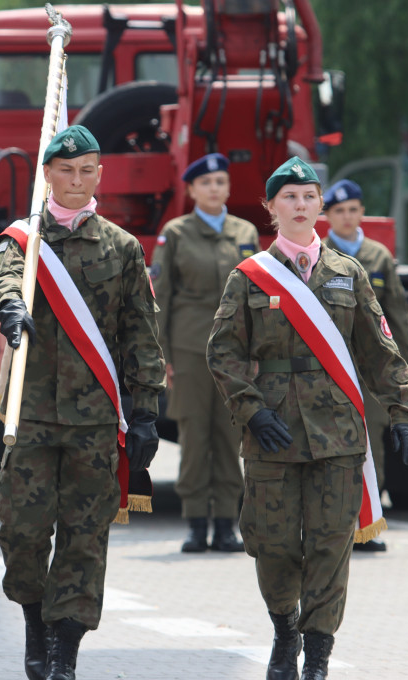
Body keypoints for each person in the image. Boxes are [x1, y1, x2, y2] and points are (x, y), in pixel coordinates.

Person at [206, 157, 408, 680]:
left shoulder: (349, 274)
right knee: (272, 542)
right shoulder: (248, 277)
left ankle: (318, 658)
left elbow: (380, 352)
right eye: (289, 198)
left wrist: (404, 414)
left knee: (330, 546)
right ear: (270, 208)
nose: (300, 206)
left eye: (308, 196)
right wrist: (252, 410)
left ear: (320, 204)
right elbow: (223, 353)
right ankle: (285, 629)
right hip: (273, 432)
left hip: (339, 435)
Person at [0, 125, 165, 680]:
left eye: (87, 171)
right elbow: (1, 278)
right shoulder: (24, 240)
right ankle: (35, 621)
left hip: (94, 419)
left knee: (86, 537)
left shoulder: (122, 247)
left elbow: (140, 331)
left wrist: (147, 407)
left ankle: (64, 650)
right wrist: (10, 307)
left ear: (99, 176)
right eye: (66, 170)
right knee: (23, 530)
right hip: (31, 413)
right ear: (48, 175)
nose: (76, 181)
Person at [150, 152, 258, 553]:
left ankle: (228, 524)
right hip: (190, 348)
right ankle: (196, 522)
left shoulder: (245, 232)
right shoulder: (176, 233)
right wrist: (162, 356)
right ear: (192, 189)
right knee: (195, 436)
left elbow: (258, 297)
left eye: (220, 182)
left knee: (231, 437)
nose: (215, 188)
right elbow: (161, 296)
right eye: (206, 183)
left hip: (236, 353)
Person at [322, 179, 408, 553]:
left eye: (353, 209)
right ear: (327, 216)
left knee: (371, 443)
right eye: (339, 211)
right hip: (333, 362)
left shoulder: (378, 255)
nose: (347, 217)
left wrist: (403, 360)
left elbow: (397, 312)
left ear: (363, 212)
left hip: (370, 366)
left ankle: (369, 526)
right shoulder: (318, 253)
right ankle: (340, 527)